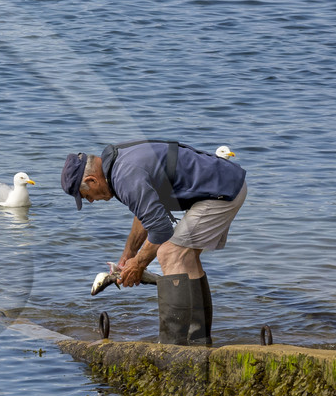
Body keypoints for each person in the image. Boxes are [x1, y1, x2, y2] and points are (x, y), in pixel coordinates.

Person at [60, 141, 247, 345]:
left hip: (221, 192)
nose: (91, 201)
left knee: (170, 253)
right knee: (187, 258)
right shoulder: (117, 165)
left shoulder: (124, 176)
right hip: (225, 183)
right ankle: (198, 342)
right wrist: (129, 255)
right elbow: (146, 214)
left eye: (86, 196)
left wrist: (139, 264)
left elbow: (161, 228)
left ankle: (172, 347)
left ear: (91, 180)